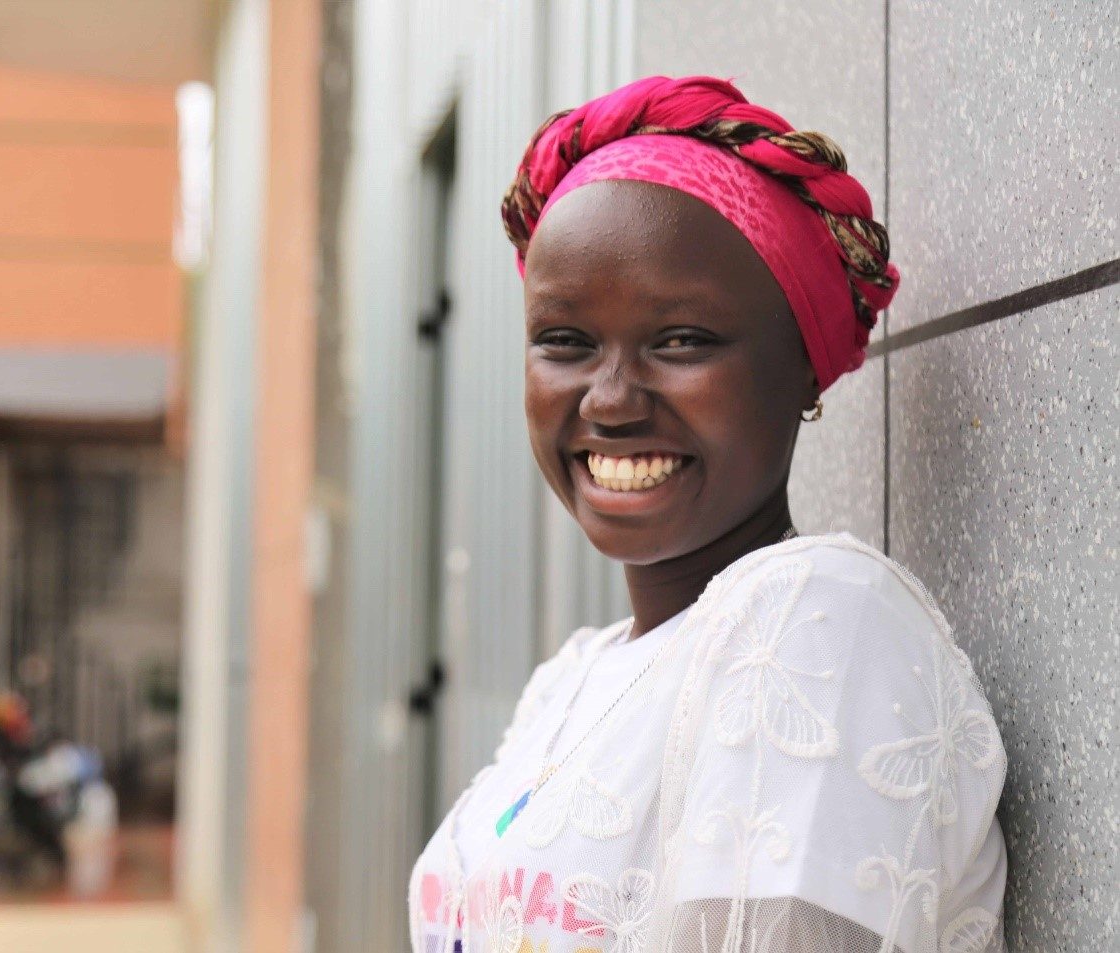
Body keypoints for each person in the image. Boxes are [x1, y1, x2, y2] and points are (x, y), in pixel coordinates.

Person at [408, 76, 1007, 953]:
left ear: (801, 364)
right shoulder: (571, 681)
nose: (609, 400)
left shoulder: (817, 626)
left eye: (681, 340)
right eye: (565, 340)